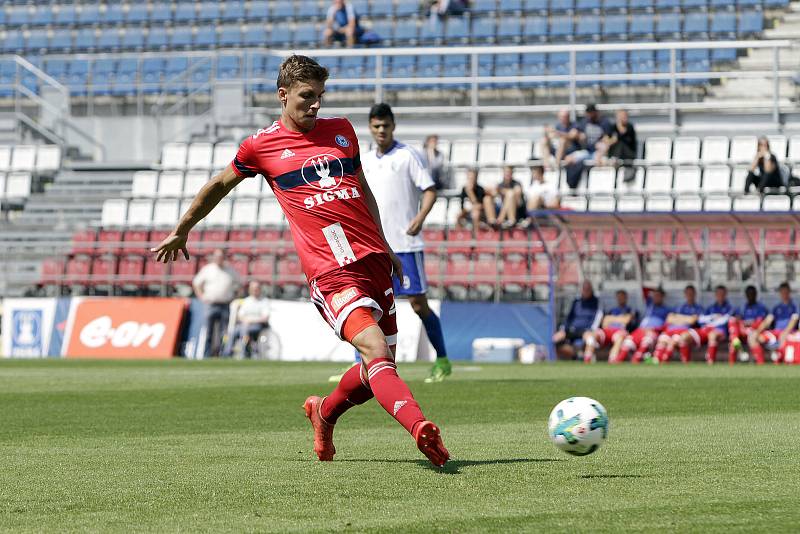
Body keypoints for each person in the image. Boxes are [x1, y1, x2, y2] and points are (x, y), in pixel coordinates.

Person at [151, 55, 449, 467]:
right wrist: (183, 227)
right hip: (330, 270)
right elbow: (220, 184)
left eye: (320, 96)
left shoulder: (342, 131)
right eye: (307, 96)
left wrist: (386, 245)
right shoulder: (261, 146)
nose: (316, 105)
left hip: (373, 261)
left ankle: (323, 412)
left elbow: (361, 189)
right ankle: (421, 429)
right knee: (375, 349)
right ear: (283, 94)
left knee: (377, 370)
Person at [359, 103, 452, 383]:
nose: (381, 131)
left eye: (386, 125)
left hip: (406, 245)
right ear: (370, 128)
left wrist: (420, 218)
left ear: (393, 126)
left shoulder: (407, 155)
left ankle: (443, 360)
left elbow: (430, 191)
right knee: (365, 307)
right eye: (376, 126)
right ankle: (362, 369)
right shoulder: (365, 160)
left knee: (418, 304)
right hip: (376, 246)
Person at [192, 248, 239, 357]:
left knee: (224, 332)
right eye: (217, 256)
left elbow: (239, 284)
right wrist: (201, 296)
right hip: (211, 304)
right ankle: (207, 354)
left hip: (225, 304)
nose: (219, 259)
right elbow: (196, 283)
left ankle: (223, 354)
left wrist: (234, 297)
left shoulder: (230, 270)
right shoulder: (208, 269)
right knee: (209, 331)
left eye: (221, 256)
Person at [675, 285, 734, 365]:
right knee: (684, 336)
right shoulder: (710, 308)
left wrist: (718, 319)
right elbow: (700, 320)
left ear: (725, 294)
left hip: (719, 331)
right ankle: (685, 363)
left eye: (722, 294)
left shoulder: (730, 308)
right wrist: (712, 317)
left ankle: (710, 362)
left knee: (712, 335)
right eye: (718, 293)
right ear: (715, 295)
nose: (720, 295)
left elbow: (729, 319)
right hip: (705, 329)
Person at [614, 287, 671, 364]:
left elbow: (666, 324)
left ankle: (635, 360)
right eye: (655, 295)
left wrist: (654, 329)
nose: (656, 297)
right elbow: (644, 289)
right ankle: (617, 362)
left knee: (647, 341)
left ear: (662, 297)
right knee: (628, 342)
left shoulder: (666, 309)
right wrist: (655, 290)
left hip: (653, 331)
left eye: (658, 296)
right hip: (641, 329)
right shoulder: (650, 305)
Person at [747, 282, 799, 364]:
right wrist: (758, 331)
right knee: (752, 337)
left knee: (783, 337)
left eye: (786, 292)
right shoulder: (776, 308)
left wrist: (785, 332)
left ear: (789, 292)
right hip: (775, 333)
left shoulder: (794, 307)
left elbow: (794, 320)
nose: (784, 294)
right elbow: (768, 320)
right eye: (782, 292)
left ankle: (779, 362)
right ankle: (761, 364)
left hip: (789, 333)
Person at [651, 284, 704, 364]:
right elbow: (669, 318)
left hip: (684, 330)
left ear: (695, 294)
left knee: (674, 340)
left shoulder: (698, 308)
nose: (689, 295)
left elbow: (692, 320)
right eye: (687, 293)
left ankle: (665, 361)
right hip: (671, 329)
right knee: (662, 339)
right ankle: (656, 361)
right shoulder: (679, 307)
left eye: (691, 293)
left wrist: (678, 318)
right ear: (685, 294)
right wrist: (686, 318)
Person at [583, 289, 637, 364]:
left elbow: (626, 320)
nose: (620, 298)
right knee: (592, 335)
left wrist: (611, 318)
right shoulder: (612, 310)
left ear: (626, 298)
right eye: (619, 297)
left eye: (622, 297)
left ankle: (612, 359)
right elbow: (605, 322)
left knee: (620, 338)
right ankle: (587, 359)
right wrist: (620, 318)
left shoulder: (630, 309)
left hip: (619, 331)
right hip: (608, 330)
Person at [553, 281, 601, 360]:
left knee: (590, 339)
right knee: (555, 339)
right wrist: (563, 329)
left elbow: (598, 317)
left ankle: (586, 359)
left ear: (591, 290)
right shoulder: (576, 302)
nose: (585, 291)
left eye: (587, 289)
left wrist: (592, 330)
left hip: (585, 330)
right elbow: (569, 317)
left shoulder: (596, 302)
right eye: (584, 289)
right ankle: (575, 355)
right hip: (572, 329)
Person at [227, 280, 271, 358]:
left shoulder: (264, 301)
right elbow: (240, 316)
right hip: (244, 324)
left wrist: (250, 321)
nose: (255, 290)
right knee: (232, 331)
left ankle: (243, 352)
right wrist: (245, 321)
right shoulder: (246, 301)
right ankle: (227, 352)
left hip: (258, 326)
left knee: (245, 329)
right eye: (253, 288)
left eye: (256, 288)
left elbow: (265, 318)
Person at [728, 285, 769, 364]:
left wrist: (748, 323)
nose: (750, 296)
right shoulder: (742, 307)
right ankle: (731, 366)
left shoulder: (760, 307)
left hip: (755, 331)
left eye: (752, 294)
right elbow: (736, 318)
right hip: (743, 331)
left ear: (756, 294)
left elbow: (760, 322)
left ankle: (761, 363)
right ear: (746, 295)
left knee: (752, 338)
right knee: (733, 342)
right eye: (748, 294)